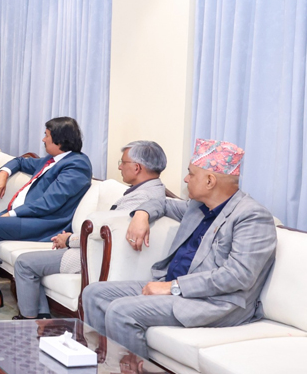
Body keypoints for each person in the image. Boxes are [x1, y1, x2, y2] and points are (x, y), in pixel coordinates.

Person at [82, 139, 277, 359]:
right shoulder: (199, 206)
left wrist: (172, 287)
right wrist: (142, 214)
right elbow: (163, 203)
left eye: (191, 174)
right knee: (94, 293)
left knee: (121, 311)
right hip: (175, 287)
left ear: (210, 181)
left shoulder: (251, 216)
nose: (185, 179)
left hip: (215, 302)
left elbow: (237, 276)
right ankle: (101, 363)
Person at [11, 141, 167, 320]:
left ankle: (28, 320)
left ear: (137, 167)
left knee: (24, 263)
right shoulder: (153, 190)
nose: (119, 167)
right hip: (95, 249)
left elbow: (102, 234)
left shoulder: (141, 198)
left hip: (93, 256)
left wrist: (68, 240)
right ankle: (42, 317)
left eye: (123, 162)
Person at [0, 116, 93, 310]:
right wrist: (3, 174)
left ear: (60, 141)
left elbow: (49, 203)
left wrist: (12, 214)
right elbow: (20, 161)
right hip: (24, 216)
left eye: (46, 135)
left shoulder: (76, 165)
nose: (43, 139)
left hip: (44, 223)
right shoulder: (51, 160)